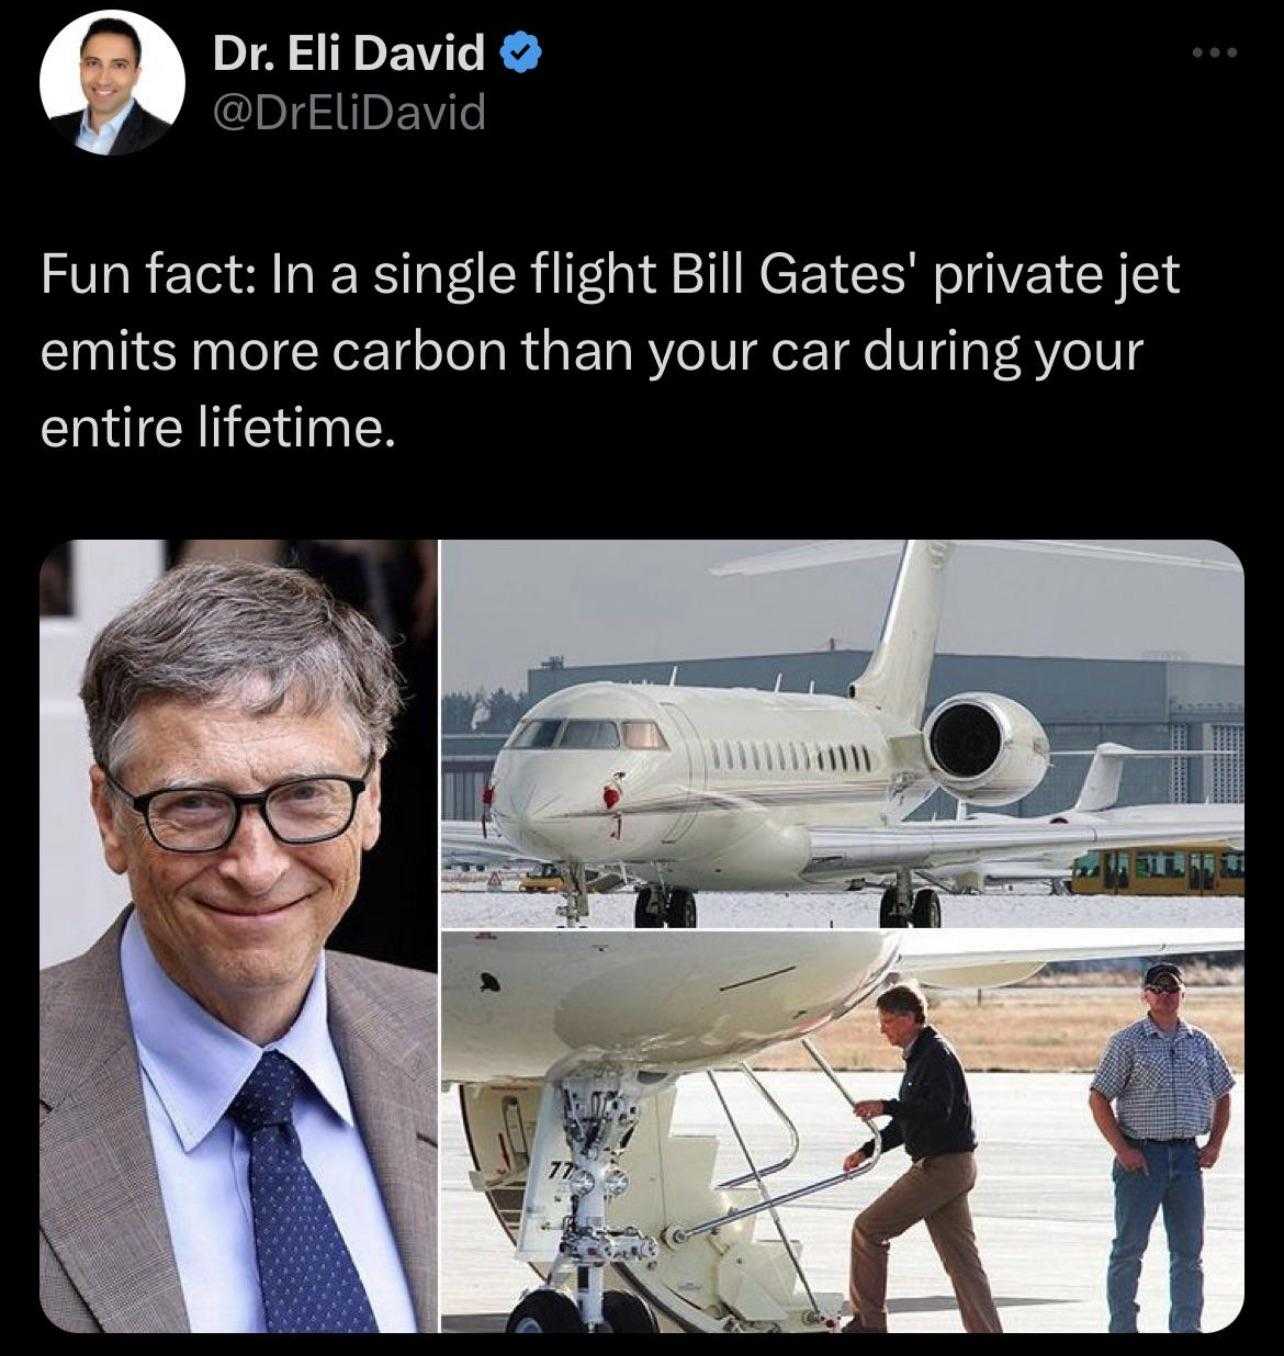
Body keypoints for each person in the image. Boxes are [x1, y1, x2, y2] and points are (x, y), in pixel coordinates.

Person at [39, 562, 436, 1333]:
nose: (255, 868)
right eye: (192, 804)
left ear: (373, 800)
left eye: (304, 795)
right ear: (108, 817)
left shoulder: (446, 1039)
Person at [841, 983, 1002, 1333]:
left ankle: (869, 1325)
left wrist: (886, 1106)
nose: (881, 1029)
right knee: (963, 1264)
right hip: (952, 1167)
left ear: (909, 1018)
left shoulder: (935, 1056)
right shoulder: (921, 1055)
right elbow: (908, 1122)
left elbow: (936, 1113)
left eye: (886, 1021)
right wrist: (867, 1149)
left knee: (868, 1229)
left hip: (941, 1168)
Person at [1088, 962, 1234, 1334]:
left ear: (1183, 994)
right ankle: (1123, 1327)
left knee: (1188, 1255)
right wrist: (1122, 1149)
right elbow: (1099, 1097)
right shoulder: (1127, 1042)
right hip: (1142, 1158)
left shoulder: (1200, 1042)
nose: (1165, 996)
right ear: (1145, 996)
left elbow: (1224, 1093)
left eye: (1172, 990)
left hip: (1187, 1158)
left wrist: (1215, 1144)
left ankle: (1187, 1327)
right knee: (1128, 1251)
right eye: (1157, 990)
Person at [49, 18, 172, 156]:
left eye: (119, 65)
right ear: (81, 69)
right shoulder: (57, 125)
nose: (103, 80)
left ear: (136, 75)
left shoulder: (159, 134)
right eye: (93, 63)